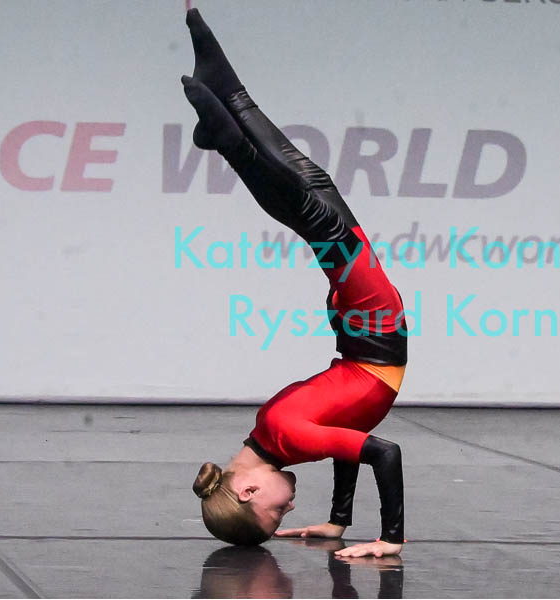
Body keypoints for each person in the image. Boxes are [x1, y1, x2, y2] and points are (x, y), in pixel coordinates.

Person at [182, 8, 409, 559]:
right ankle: (229, 95)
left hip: (372, 328)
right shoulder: (269, 433)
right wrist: (337, 521)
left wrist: (390, 539)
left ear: (248, 490)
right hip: (358, 332)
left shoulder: (287, 436)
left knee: (314, 212)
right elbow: (348, 434)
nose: (287, 506)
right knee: (314, 195)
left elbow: (385, 452)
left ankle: (231, 139)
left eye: (276, 509)